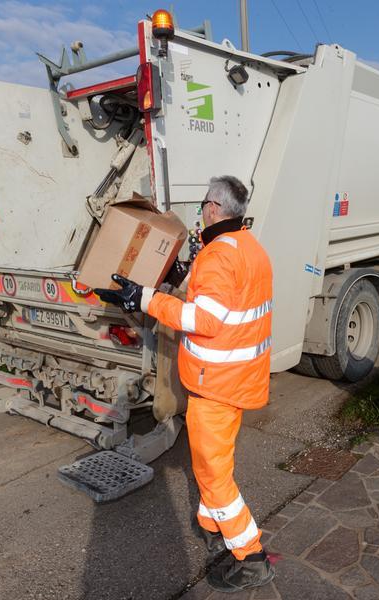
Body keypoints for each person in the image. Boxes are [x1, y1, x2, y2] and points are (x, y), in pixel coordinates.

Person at [94, 175, 275, 593]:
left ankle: (251, 557)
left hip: (216, 386)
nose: (200, 212)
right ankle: (216, 532)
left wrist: (144, 299)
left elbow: (203, 319)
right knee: (212, 465)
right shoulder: (250, 248)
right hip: (236, 380)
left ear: (213, 207)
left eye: (202, 205)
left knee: (214, 475)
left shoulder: (217, 256)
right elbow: (227, 305)